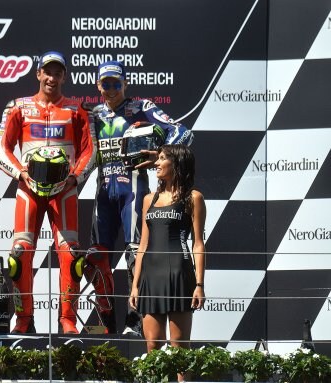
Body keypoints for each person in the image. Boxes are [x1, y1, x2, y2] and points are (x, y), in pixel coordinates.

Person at [85, 60, 193, 335]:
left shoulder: (141, 108)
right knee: (98, 256)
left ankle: (134, 319)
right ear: (98, 85)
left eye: (116, 83)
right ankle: (105, 320)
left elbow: (183, 132)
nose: (111, 89)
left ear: (125, 83)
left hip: (133, 189)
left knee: (136, 253)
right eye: (105, 83)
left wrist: (160, 155)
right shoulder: (92, 114)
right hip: (103, 191)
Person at [0, 51, 96, 334]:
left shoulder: (77, 109)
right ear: (38, 73)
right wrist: (20, 173)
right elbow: (1, 148)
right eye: (47, 72)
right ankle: (24, 320)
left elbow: (90, 149)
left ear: (64, 76)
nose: (52, 78)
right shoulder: (18, 106)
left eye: (57, 73)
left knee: (71, 255)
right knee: (20, 255)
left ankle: (67, 320)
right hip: (29, 188)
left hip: (63, 190)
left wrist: (75, 178)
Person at [129, 144, 206, 360]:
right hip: (151, 277)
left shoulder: (193, 198)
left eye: (162, 159)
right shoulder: (148, 199)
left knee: (179, 349)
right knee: (153, 346)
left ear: (177, 163)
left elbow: (198, 244)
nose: (157, 163)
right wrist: (135, 286)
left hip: (179, 274)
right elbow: (142, 245)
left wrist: (199, 285)